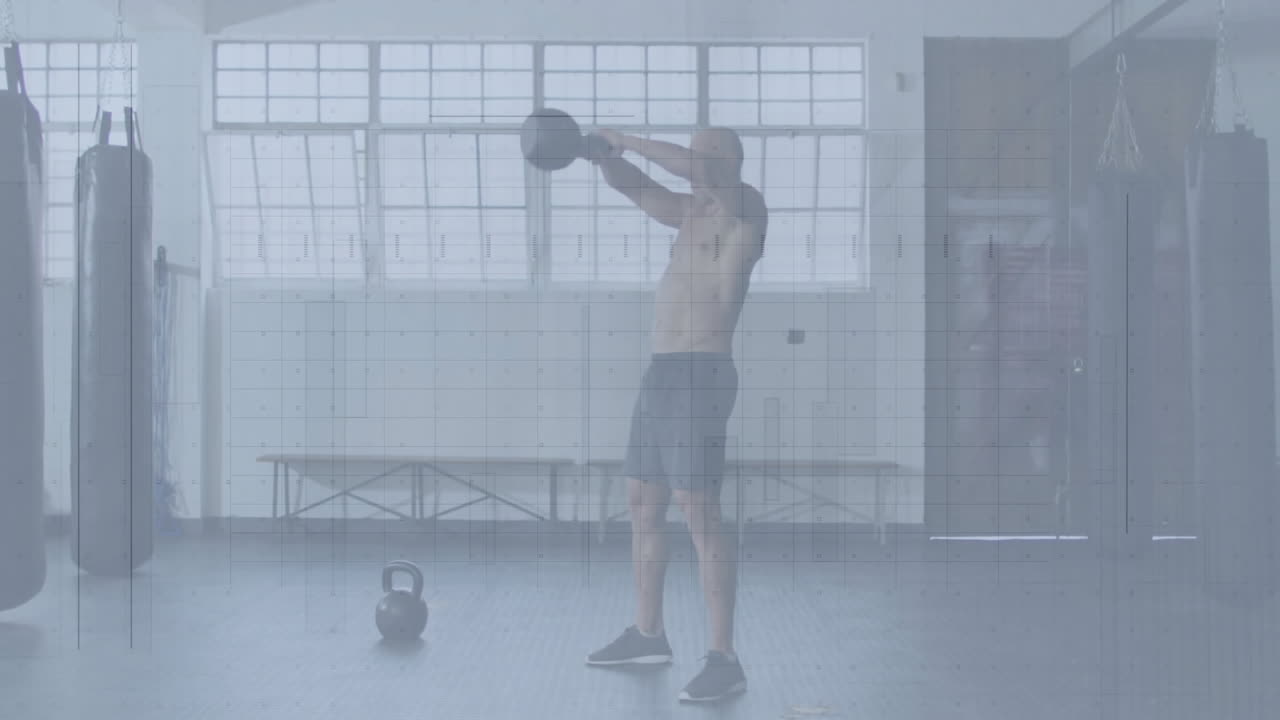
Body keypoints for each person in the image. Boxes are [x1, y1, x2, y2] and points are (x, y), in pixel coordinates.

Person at [583, 127, 768, 703]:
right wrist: (600, 154)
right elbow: (633, 186)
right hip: (662, 371)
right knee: (642, 499)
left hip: (702, 373)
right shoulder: (688, 214)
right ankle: (648, 633)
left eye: (709, 152)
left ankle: (724, 658)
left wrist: (628, 137)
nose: (698, 160)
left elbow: (699, 172)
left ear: (732, 161)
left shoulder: (747, 209)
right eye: (695, 149)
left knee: (698, 508)